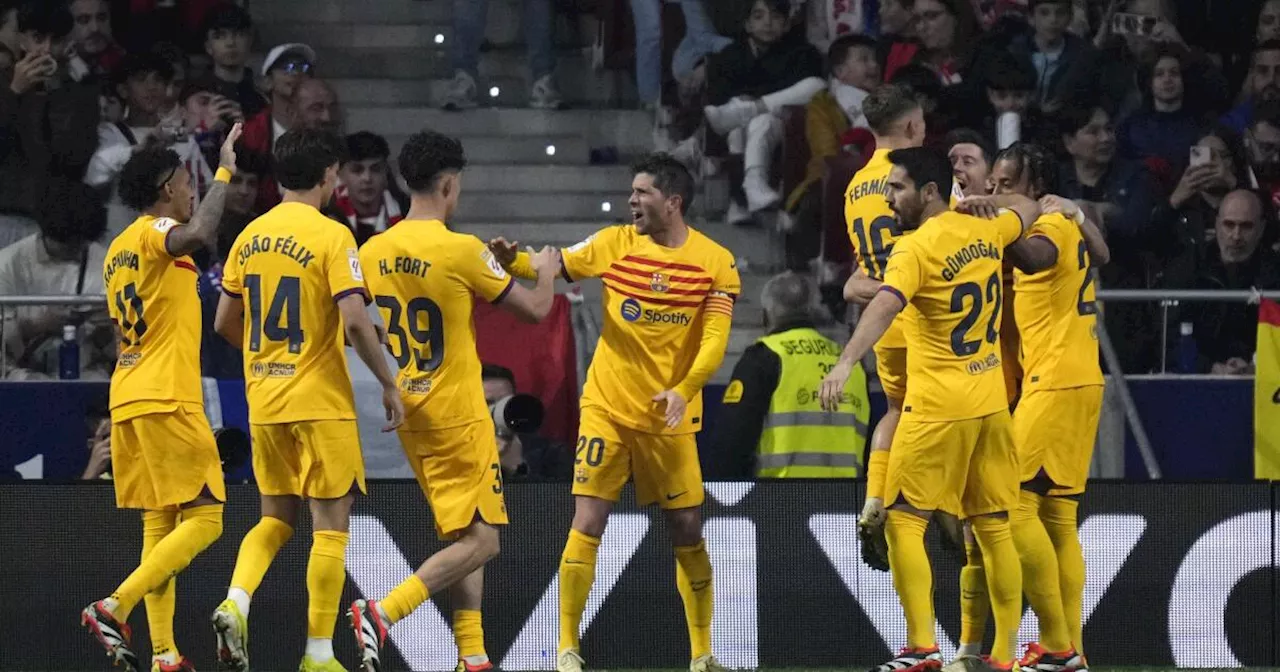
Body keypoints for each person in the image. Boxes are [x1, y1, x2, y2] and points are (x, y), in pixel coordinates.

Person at [488, 153, 739, 672]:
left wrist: (684, 388)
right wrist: (513, 261)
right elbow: (550, 266)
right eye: (631, 191)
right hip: (607, 405)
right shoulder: (612, 244)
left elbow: (714, 340)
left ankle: (701, 653)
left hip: (669, 413)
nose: (631, 200)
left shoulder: (716, 262)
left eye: (643, 192)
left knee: (688, 528)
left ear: (673, 201)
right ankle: (566, 648)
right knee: (588, 518)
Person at [346, 130, 560, 672]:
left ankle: (472, 655)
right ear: (448, 183)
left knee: (467, 533)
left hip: (413, 405)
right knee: (486, 542)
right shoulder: (460, 249)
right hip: (460, 413)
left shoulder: (373, 251)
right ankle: (383, 610)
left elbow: (355, 325)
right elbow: (535, 310)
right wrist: (547, 271)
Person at [820, 147, 1039, 672]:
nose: (889, 197)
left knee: (901, 521)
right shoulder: (986, 232)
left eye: (897, 188)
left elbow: (886, 305)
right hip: (989, 402)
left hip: (938, 406)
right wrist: (987, 203)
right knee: (992, 526)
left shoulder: (915, 248)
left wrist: (845, 362)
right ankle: (1004, 654)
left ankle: (921, 647)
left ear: (930, 191)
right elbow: (1029, 209)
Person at [211, 128, 405, 672]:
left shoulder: (248, 236)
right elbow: (354, 320)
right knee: (330, 525)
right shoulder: (332, 235)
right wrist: (388, 381)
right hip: (319, 401)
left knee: (274, 517)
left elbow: (225, 321)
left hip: (265, 401)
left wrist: (268, 351)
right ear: (328, 177)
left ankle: (236, 601)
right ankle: (319, 654)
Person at [79, 125, 242, 672]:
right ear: (165, 187)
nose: (191, 188)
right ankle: (113, 606)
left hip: (128, 395)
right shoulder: (155, 231)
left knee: (160, 527)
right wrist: (224, 170)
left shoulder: (115, 251)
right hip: (166, 395)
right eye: (184, 181)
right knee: (209, 519)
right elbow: (195, 235)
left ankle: (165, 653)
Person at [983, 141, 1108, 668]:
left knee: (1010, 502)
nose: (995, 191)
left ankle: (1057, 644)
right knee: (1057, 515)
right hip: (1078, 378)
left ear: (1037, 189)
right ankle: (1072, 649)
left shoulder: (1049, 227)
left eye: (1006, 183)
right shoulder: (1064, 220)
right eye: (993, 181)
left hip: (1056, 380)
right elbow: (1101, 254)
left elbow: (1036, 261)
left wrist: (998, 225)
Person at [838, 83, 925, 560]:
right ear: (912, 126)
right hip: (928, 318)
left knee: (895, 409)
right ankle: (914, 506)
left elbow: (861, 267)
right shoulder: (920, 177)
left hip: (881, 324)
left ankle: (876, 496)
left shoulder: (855, 187)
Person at [710, 271, 869, 479]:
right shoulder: (849, 361)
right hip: (849, 499)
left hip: (783, 500)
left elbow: (732, 439)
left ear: (765, 315)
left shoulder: (765, 356)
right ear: (811, 311)